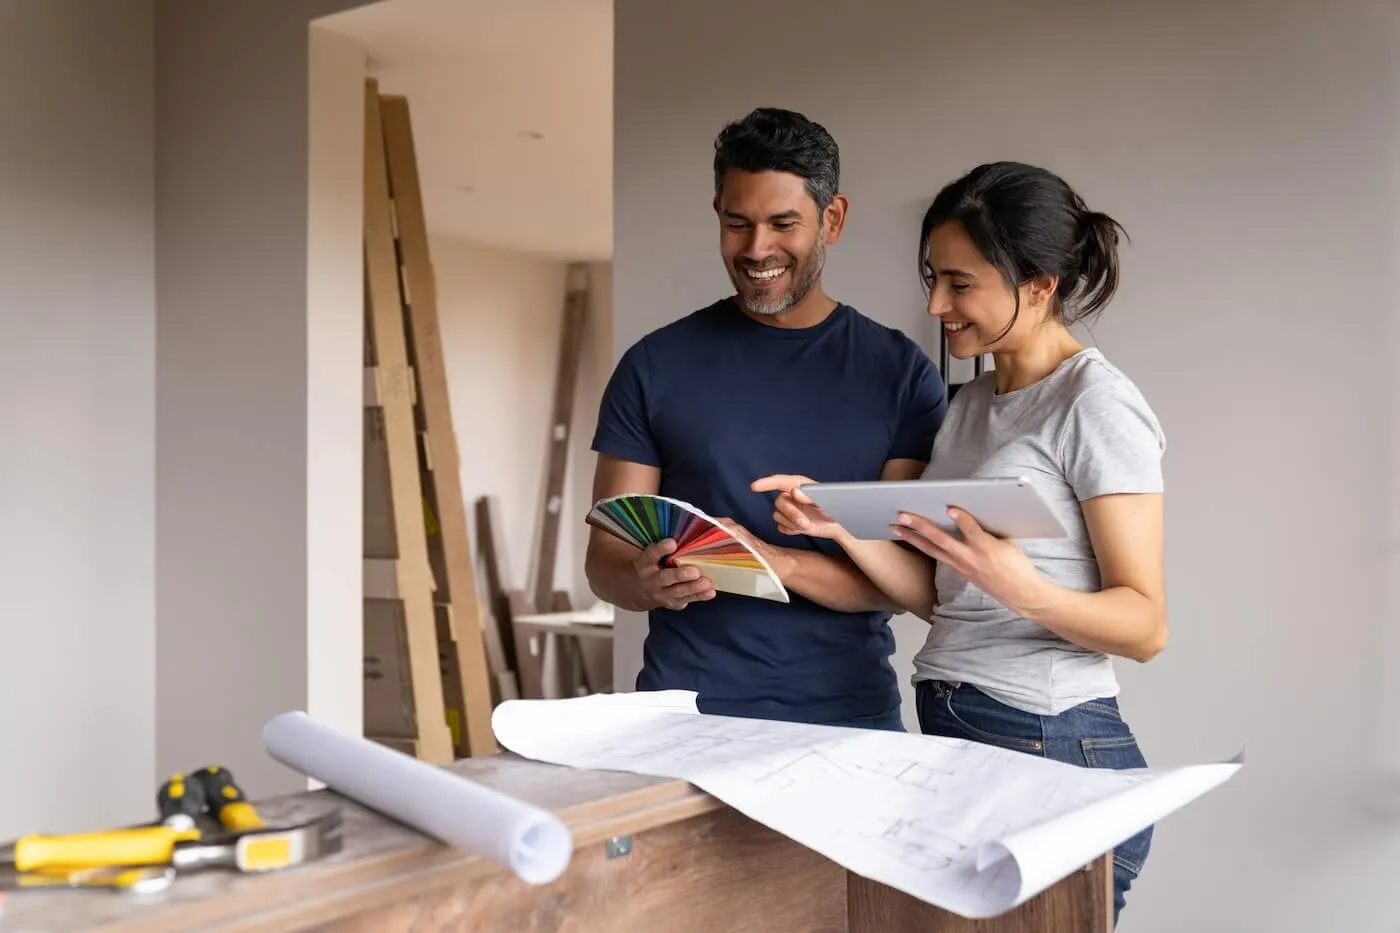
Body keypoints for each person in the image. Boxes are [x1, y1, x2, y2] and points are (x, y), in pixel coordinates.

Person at [755, 161, 1166, 924]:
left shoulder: (1097, 404)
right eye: (932, 278)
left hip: (1052, 744)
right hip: (964, 731)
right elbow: (936, 598)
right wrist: (843, 528)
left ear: (1039, 283)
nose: (937, 304)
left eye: (960, 282)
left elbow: (1146, 626)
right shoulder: (970, 404)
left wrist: (1023, 587)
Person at [584, 107, 948, 730]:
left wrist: (772, 562)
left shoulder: (900, 374)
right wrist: (644, 582)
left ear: (832, 219)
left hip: (850, 719)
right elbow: (605, 560)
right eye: (737, 224)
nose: (757, 249)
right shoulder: (654, 365)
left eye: (784, 223)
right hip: (683, 719)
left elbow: (905, 582)